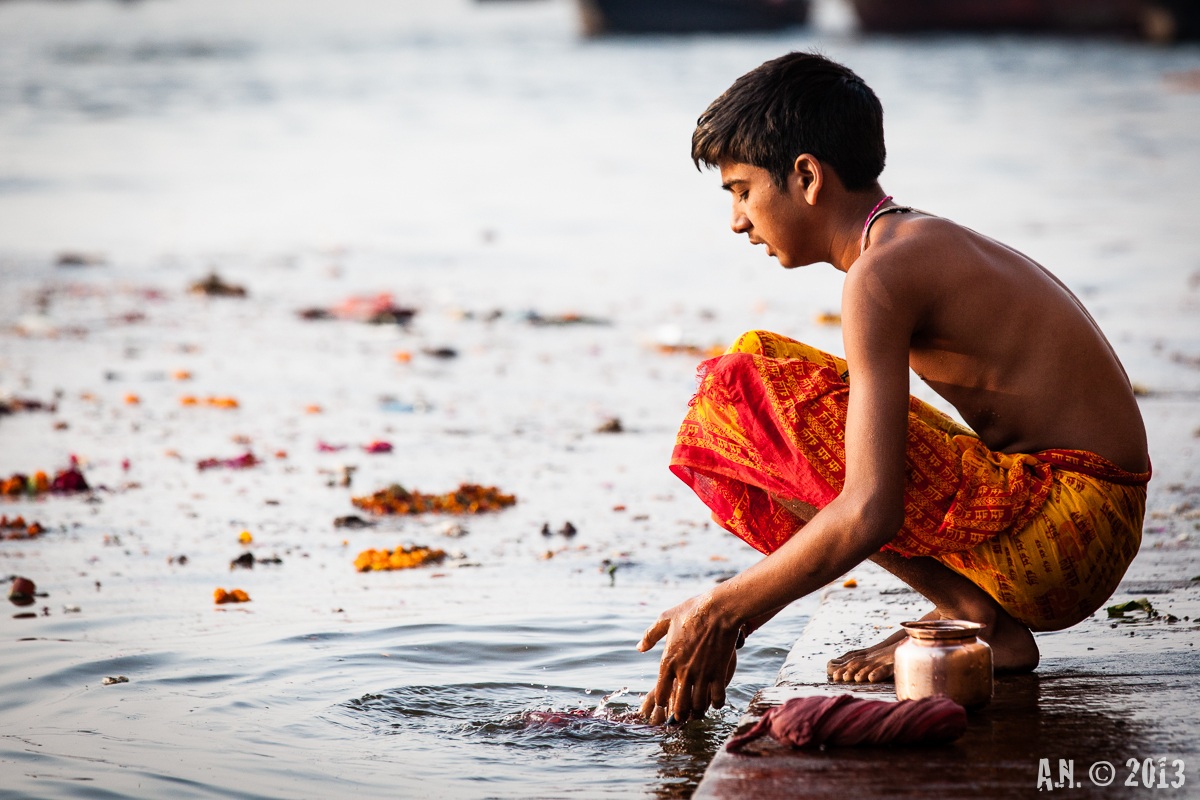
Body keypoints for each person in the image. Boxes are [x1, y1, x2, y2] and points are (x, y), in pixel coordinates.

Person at [637, 51, 1150, 727]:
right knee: (759, 379)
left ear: (806, 176)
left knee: (746, 389)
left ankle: (974, 619)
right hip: (1090, 523)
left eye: (740, 190)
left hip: (1068, 534)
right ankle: (966, 610)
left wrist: (728, 608)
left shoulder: (880, 274)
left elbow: (870, 508)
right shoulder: (909, 241)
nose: (737, 220)